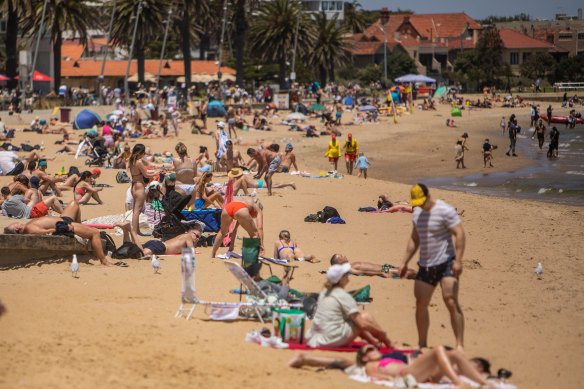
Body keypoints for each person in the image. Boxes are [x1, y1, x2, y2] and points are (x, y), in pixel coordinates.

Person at [398, 184, 466, 351]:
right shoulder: (418, 214)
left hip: (447, 262)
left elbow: (459, 233)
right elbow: (414, 239)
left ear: (428, 195)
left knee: (450, 300)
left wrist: (458, 260)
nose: (420, 205)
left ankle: (459, 344)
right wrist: (404, 262)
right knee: (421, 302)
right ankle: (422, 343)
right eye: (417, 203)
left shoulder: (445, 210)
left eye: (422, 201)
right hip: (426, 264)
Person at [305, 263, 394, 348]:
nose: (347, 275)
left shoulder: (324, 293)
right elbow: (362, 324)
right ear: (340, 279)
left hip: (315, 339)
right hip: (331, 339)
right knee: (366, 317)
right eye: (345, 274)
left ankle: (374, 342)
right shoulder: (342, 295)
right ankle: (390, 344)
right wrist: (381, 333)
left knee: (353, 320)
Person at [3, 200, 114, 266]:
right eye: (16, 224)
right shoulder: (29, 229)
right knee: (95, 233)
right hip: (64, 225)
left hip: (63, 220)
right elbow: (47, 231)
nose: (17, 223)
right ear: (17, 229)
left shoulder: (28, 226)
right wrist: (67, 228)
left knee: (74, 203)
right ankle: (103, 260)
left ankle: (81, 229)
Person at [356, 343, 489, 387]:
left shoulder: (385, 359)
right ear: (364, 358)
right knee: (438, 349)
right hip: (408, 375)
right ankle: (458, 383)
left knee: (454, 354)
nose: (374, 350)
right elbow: (373, 376)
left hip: (422, 374)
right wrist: (391, 380)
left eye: (374, 347)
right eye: (369, 349)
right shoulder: (369, 365)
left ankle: (484, 383)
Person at [128, 143, 160, 244]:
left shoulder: (131, 161)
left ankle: (136, 230)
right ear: (140, 152)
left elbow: (143, 172)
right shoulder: (139, 162)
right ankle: (134, 232)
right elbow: (146, 174)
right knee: (137, 210)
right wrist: (157, 173)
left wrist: (154, 172)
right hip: (139, 186)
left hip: (133, 185)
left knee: (135, 210)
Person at [115, 221, 202, 257]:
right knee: (141, 254)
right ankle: (131, 230)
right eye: (197, 236)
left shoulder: (182, 237)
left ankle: (125, 231)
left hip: (157, 244)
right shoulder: (187, 236)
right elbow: (191, 252)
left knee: (131, 250)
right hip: (161, 247)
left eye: (199, 238)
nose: (197, 239)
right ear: (190, 232)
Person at [330, 253, 416, 279]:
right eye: (341, 256)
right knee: (410, 273)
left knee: (410, 271)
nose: (344, 255)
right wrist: (381, 273)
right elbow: (363, 272)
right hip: (384, 270)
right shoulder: (349, 268)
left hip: (384, 267)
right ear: (339, 262)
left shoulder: (350, 265)